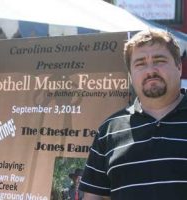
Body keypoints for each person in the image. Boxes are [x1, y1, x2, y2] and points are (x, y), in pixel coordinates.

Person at [79, 29, 187, 200]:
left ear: (179, 67)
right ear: (130, 74)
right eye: (140, 63)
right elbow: (94, 197)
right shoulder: (109, 131)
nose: (150, 70)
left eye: (159, 60)